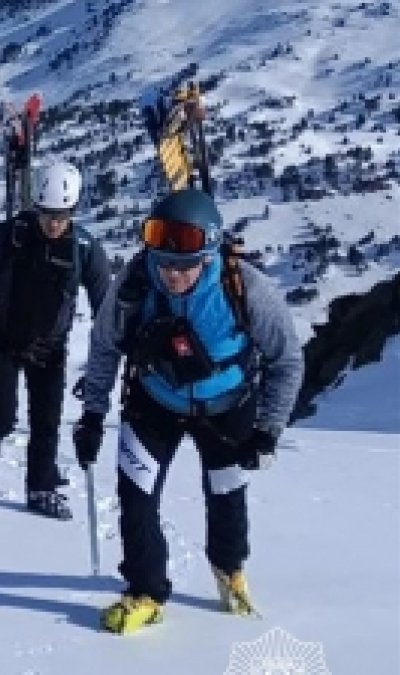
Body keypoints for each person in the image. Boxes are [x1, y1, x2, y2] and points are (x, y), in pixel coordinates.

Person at [71, 188, 303, 635]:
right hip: (153, 401)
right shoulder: (136, 284)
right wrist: (93, 415)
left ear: (209, 254)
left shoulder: (246, 288)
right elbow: (104, 346)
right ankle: (145, 591)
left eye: (184, 265)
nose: (172, 274)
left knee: (226, 495)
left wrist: (268, 430)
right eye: (163, 262)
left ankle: (228, 569)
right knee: (136, 498)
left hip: (228, 408)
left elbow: (287, 360)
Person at [0, 160, 112, 519]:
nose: (53, 223)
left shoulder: (85, 249)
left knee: (46, 423)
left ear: (73, 211)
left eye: (62, 215)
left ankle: (41, 489)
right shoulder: (11, 234)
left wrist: (100, 367)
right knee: (1, 415)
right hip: (2, 339)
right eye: (47, 214)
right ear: (36, 207)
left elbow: (106, 313)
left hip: (51, 348)